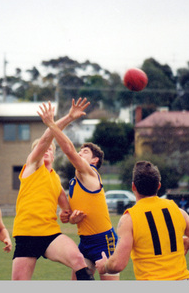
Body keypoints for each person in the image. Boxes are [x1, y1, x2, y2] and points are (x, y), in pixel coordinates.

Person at [11, 99, 95, 280]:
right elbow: (45, 140)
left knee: (79, 259)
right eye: (44, 148)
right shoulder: (32, 167)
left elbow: (67, 211)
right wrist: (69, 118)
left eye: (51, 148)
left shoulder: (55, 178)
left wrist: (71, 216)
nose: (47, 149)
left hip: (50, 234)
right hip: (26, 234)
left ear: (55, 153)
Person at [38, 100, 118, 280]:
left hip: (103, 240)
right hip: (85, 241)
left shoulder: (91, 174)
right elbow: (74, 217)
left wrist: (51, 123)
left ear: (95, 160)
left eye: (86, 152)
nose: (80, 153)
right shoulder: (74, 183)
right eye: (81, 150)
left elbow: (69, 151)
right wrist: (70, 218)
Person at [95, 161, 189, 280]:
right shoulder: (177, 211)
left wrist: (104, 266)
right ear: (159, 186)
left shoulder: (129, 219)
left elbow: (117, 264)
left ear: (133, 186)